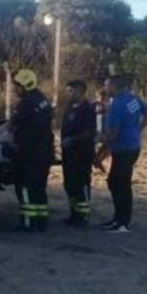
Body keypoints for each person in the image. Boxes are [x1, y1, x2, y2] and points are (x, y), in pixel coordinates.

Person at [97, 75, 147, 233]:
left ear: (114, 86)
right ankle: (119, 218)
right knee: (118, 182)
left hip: (124, 149)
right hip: (132, 146)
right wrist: (137, 130)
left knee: (119, 183)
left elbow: (113, 133)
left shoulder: (117, 105)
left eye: (107, 86)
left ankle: (122, 222)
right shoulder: (132, 98)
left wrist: (101, 139)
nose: (105, 89)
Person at [9, 69, 54, 232]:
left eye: (17, 86)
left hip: (29, 154)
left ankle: (28, 222)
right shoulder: (43, 100)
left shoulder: (25, 104)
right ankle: (41, 221)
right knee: (39, 189)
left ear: (25, 85)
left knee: (26, 189)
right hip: (45, 153)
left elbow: (14, 126)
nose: (15, 90)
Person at [60, 79, 96, 227]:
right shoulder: (69, 107)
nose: (68, 94)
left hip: (82, 154)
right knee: (70, 184)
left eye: (71, 91)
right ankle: (74, 213)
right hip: (68, 154)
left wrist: (73, 140)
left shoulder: (87, 109)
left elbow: (89, 132)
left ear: (80, 91)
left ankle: (83, 215)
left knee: (81, 184)